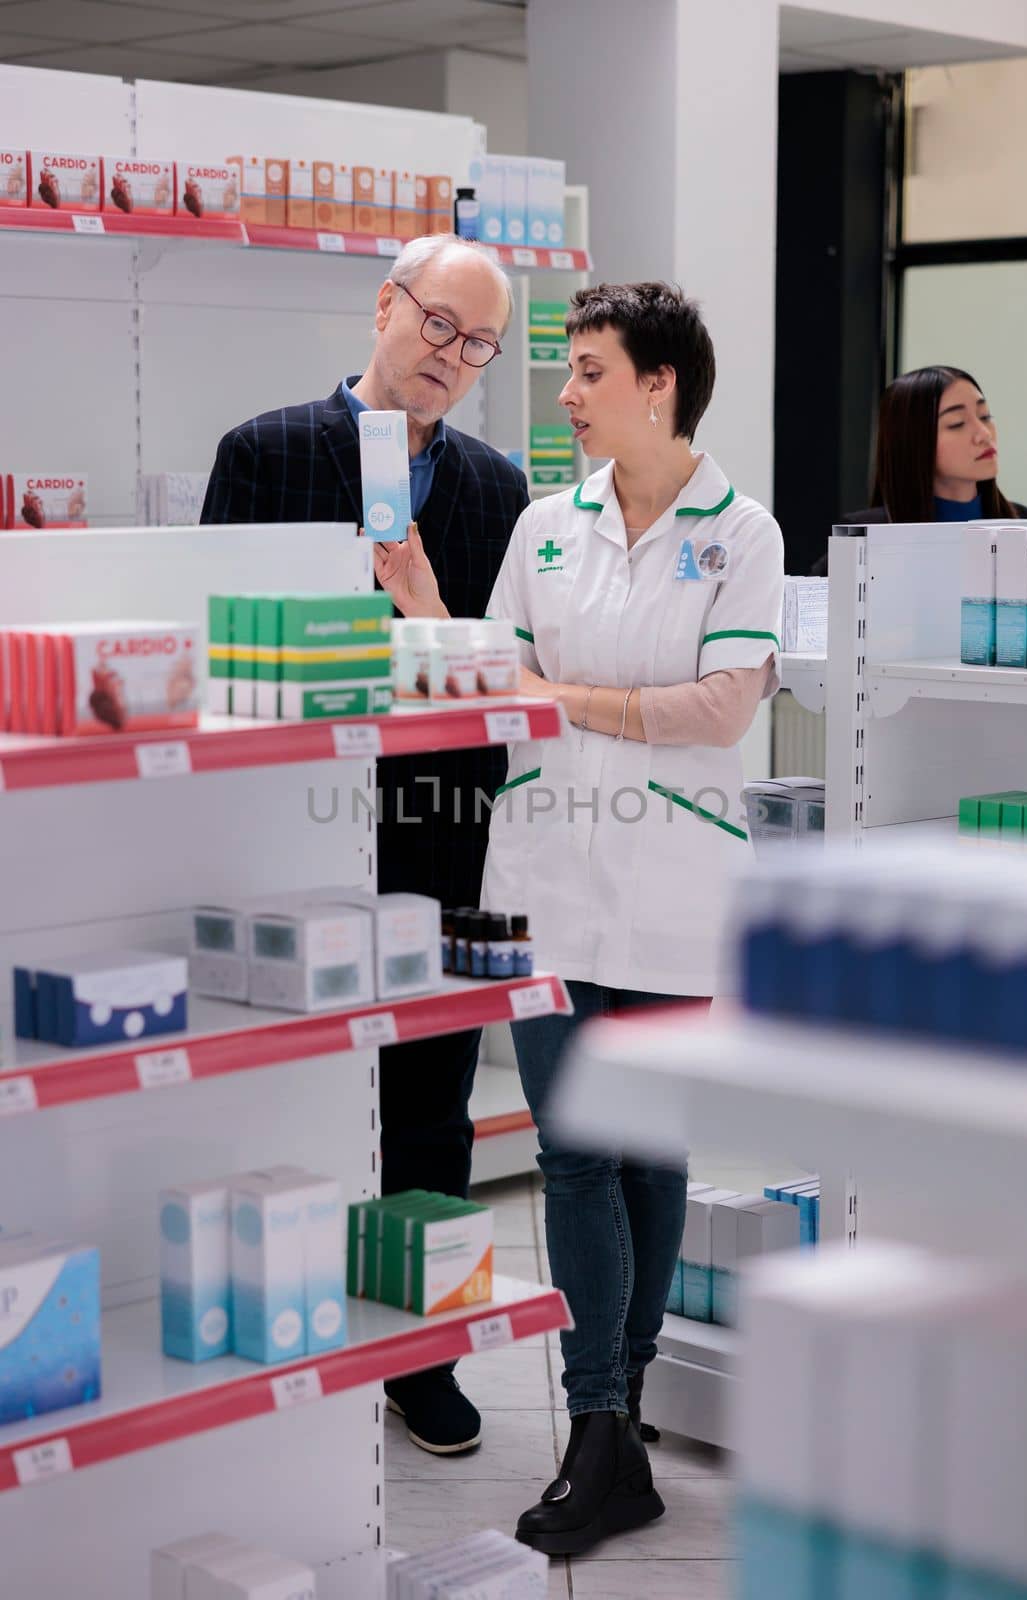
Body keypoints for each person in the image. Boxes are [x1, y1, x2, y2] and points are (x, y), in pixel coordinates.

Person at [374, 281, 784, 1555]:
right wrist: (427, 605)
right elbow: (499, 678)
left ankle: (619, 1424)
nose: (563, 393)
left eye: (587, 370)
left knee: (647, 1153)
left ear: (657, 383)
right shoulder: (547, 525)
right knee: (574, 1150)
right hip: (548, 877)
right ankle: (598, 1421)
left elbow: (723, 709)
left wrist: (566, 692)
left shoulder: (741, 531)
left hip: (671, 886)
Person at [202, 235, 527, 1457]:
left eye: (479, 343)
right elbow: (222, 650)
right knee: (282, 1085)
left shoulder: (498, 488)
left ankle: (419, 1351)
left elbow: (500, 681)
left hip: (440, 831)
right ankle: (279, 1319)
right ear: (385, 304)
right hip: (288, 825)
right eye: (439, 325)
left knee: (430, 1099)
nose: (453, 357)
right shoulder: (268, 450)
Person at [831, 364, 1027, 539]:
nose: (984, 434)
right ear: (913, 442)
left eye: (985, 416)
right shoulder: (863, 536)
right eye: (957, 424)